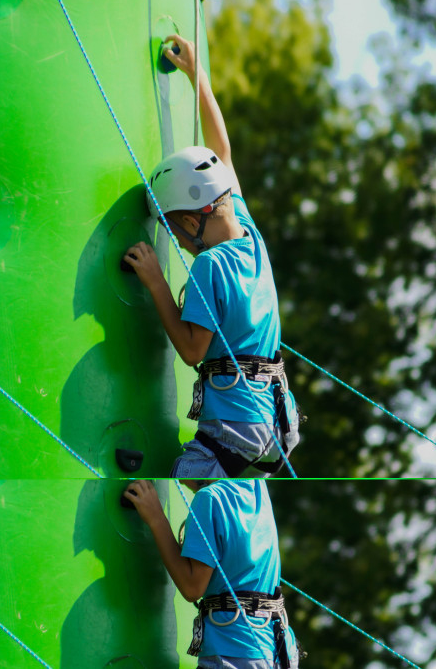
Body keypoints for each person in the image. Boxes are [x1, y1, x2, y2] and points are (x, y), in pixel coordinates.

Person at [122, 33, 300, 479]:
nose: (178, 241)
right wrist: (197, 76)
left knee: (184, 480)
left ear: (190, 219)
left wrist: (155, 282)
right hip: (278, 424)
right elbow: (222, 154)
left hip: (231, 432)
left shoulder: (210, 264)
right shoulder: (249, 235)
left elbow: (189, 349)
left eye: (173, 227)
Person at [123, 478, 300, 668]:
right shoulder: (256, 485)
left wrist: (156, 517)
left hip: (233, 651)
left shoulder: (208, 498)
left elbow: (192, 588)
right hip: (279, 650)